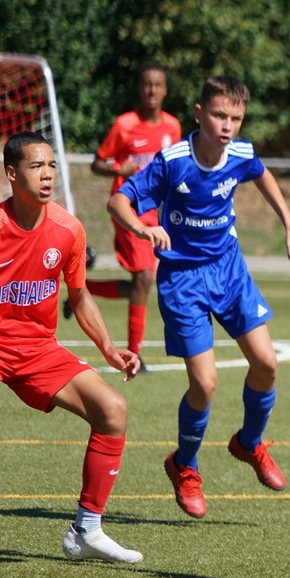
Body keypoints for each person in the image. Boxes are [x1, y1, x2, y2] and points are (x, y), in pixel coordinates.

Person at [107, 75, 290, 519]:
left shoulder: (240, 154)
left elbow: (262, 174)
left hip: (229, 271)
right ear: (199, 113)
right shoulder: (173, 160)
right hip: (183, 280)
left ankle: (248, 444)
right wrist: (143, 227)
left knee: (267, 363)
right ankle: (184, 464)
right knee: (206, 383)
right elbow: (119, 200)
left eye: (235, 117)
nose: (228, 125)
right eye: (219, 115)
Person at [0, 132, 143, 563]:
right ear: (11, 174)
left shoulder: (68, 229)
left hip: (38, 348)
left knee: (113, 410)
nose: (47, 174)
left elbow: (78, 296)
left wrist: (110, 349)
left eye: (52, 166)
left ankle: (86, 529)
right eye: (36, 166)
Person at [64, 63, 182, 369]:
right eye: (146, 84)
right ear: (139, 89)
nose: (152, 90)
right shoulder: (125, 125)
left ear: (166, 90)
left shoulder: (172, 127)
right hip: (127, 209)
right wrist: (119, 169)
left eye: (157, 85)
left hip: (154, 213)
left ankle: (84, 290)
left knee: (140, 285)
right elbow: (96, 163)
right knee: (143, 278)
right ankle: (134, 354)